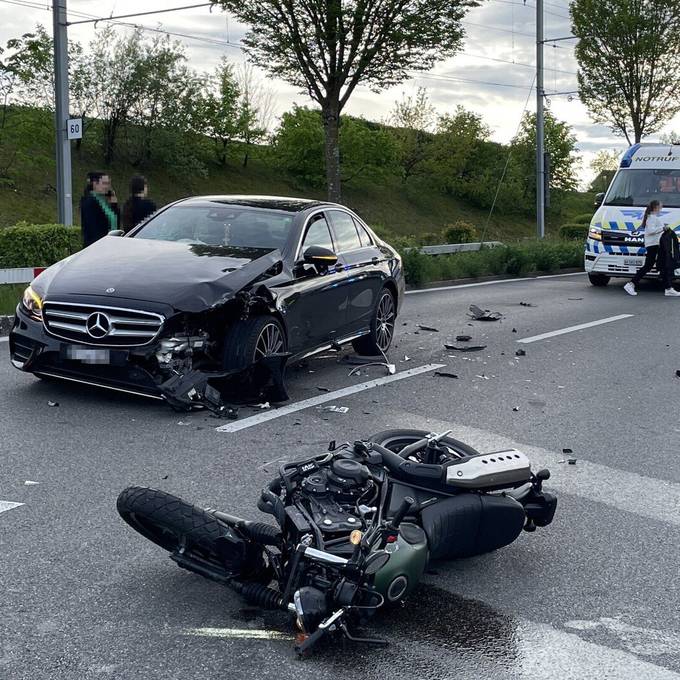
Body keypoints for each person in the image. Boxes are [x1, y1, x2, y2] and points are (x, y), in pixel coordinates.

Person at [624, 200, 680, 297]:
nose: (661, 208)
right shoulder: (651, 218)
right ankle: (631, 284)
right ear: (656, 207)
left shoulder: (652, 217)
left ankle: (668, 288)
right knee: (649, 265)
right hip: (652, 245)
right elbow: (650, 231)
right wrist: (663, 228)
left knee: (663, 265)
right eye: (660, 206)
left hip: (655, 245)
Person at [80, 171, 119, 247]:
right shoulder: (89, 201)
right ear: (95, 184)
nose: (107, 186)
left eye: (108, 183)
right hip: (97, 245)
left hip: (109, 243)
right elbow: (93, 228)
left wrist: (114, 205)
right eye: (104, 183)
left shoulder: (103, 200)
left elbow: (115, 219)